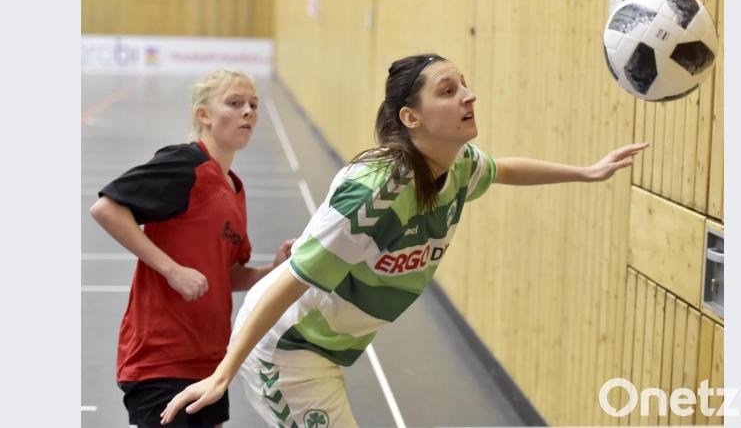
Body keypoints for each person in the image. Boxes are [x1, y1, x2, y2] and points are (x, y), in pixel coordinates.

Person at [159, 54, 649, 427]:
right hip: (288, 349)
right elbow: (289, 280)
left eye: (466, 86)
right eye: (449, 90)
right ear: (411, 118)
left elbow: (503, 170)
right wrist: (225, 370)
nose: (469, 96)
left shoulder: (457, 164)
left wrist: (587, 173)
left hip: (329, 344)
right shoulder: (375, 194)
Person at [89, 68, 295, 428]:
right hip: (161, 358)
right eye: (234, 103)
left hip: (210, 361)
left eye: (253, 105)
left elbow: (227, 275)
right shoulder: (186, 164)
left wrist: (273, 269)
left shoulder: (235, 188)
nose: (248, 112)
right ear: (204, 115)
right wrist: (172, 269)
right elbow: (107, 208)